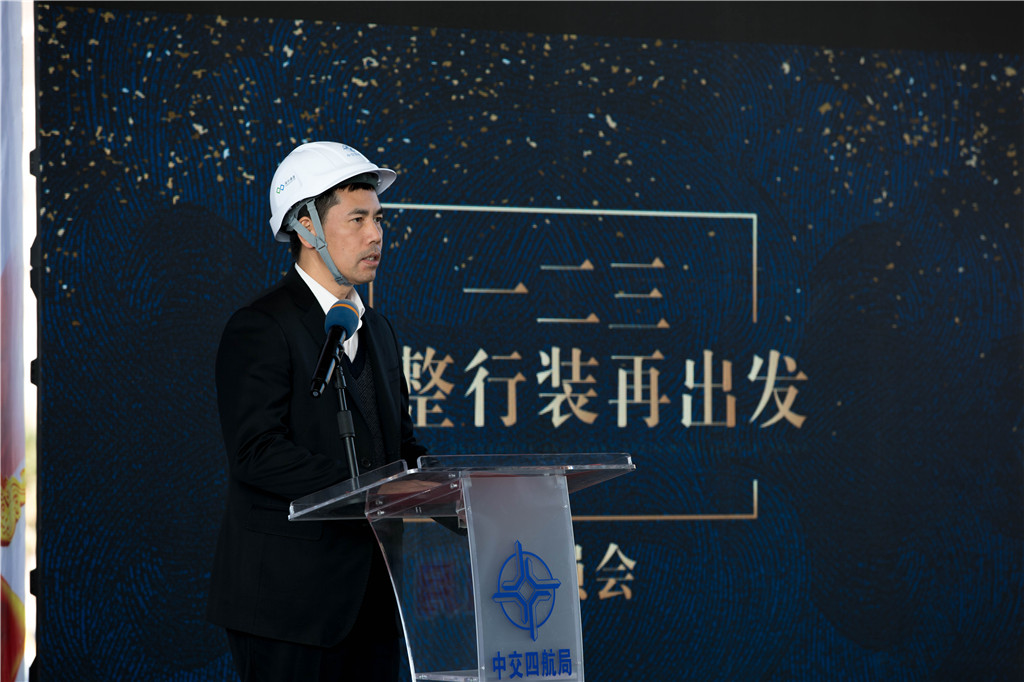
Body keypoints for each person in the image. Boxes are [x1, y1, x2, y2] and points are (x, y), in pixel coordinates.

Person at [207, 141, 427, 681]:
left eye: (378, 219)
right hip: (289, 607)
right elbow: (256, 452)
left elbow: (399, 446)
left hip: (374, 602)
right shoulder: (261, 326)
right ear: (306, 227)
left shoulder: (377, 329)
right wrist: (368, 488)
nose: (375, 235)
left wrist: (458, 498)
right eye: (357, 219)